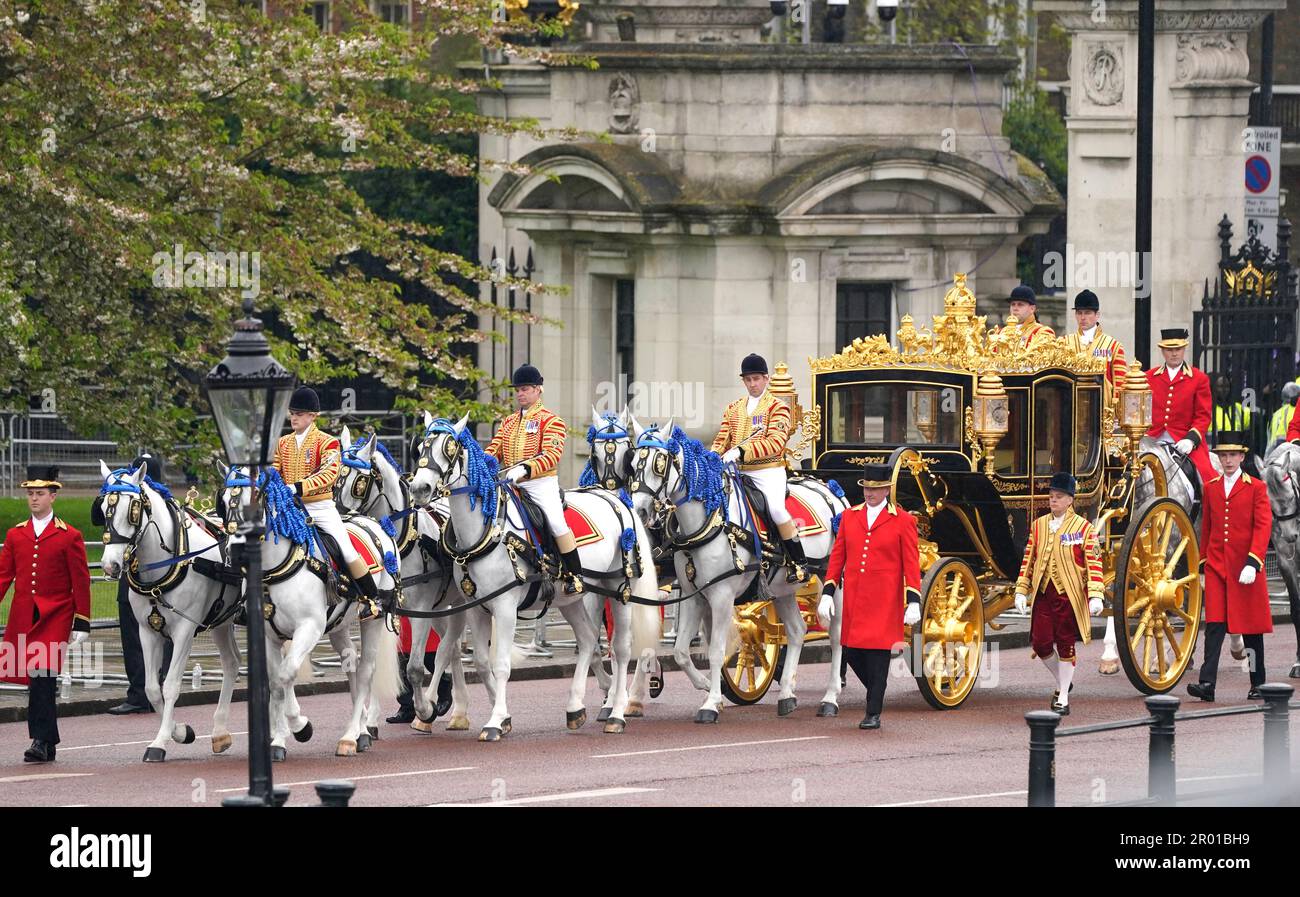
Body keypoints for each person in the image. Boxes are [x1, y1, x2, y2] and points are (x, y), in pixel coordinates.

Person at [818, 464, 922, 730]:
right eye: (866, 488)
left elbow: (911, 564)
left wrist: (913, 600)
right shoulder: (850, 517)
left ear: (886, 489)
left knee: (877, 656)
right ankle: (877, 690)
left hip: (884, 600)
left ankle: (872, 712)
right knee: (850, 652)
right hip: (854, 597)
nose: (870, 494)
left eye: (875, 489)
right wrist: (828, 593)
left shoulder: (903, 521)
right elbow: (837, 557)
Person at [0, 466, 91, 762]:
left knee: (42, 676)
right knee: (34, 678)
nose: (34, 499)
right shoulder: (16, 535)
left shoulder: (70, 535)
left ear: (53, 496)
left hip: (56, 615)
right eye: (30, 494)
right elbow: (3, 576)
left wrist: (83, 620)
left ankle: (39, 740)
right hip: (25, 616)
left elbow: (80, 581)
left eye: (40, 493)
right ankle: (48, 741)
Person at [273, 386, 380, 620]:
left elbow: (330, 473)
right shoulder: (283, 443)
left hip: (319, 507)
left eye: (299, 414)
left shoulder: (328, 442)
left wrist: (297, 487)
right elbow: (274, 469)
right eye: (292, 413)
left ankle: (372, 599)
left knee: (346, 549)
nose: (294, 418)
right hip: (289, 508)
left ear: (313, 416)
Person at [1188, 432, 1272, 702]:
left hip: (1245, 567)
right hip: (1217, 566)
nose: (1228, 460)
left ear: (1242, 457)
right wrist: (1202, 564)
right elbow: (1207, 528)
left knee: (1250, 628)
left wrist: (1254, 560)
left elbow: (1262, 526)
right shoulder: (1211, 486)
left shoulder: (1256, 487)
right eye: (1223, 456)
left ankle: (1257, 681)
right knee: (1214, 625)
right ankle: (1207, 683)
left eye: (1233, 455)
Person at [486, 364, 583, 593]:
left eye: (525, 388)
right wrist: (481, 463)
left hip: (540, 483)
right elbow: (494, 449)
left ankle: (574, 575)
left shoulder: (551, 421)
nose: (520, 393)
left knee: (557, 522)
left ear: (538, 389)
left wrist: (526, 470)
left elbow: (552, 455)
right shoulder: (508, 421)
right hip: (510, 483)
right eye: (518, 389)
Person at [1014, 472, 1104, 716]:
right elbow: (1028, 559)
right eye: (1052, 496)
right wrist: (1021, 590)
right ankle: (1063, 680)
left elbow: (1094, 561)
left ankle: (1063, 695)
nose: (1053, 500)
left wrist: (1096, 594)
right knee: (1041, 643)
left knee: (1065, 644)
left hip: (1069, 594)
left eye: (1059, 496)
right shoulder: (1039, 525)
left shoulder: (1084, 528)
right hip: (1043, 591)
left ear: (1070, 500)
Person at [711, 353, 806, 582]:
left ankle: (797, 562)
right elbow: (722, 439)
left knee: (776, 509)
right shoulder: (733, 409)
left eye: (756, 379)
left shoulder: (777, 408)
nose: (753, 384)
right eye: (748, 380)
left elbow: (775, 442)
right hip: (737, 471)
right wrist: (713, 456)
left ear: (766, 379)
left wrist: (742, 451)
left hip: (767, 471)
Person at [105, 453, 174, 714]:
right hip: (132, 579)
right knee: (131, 638)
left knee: (166, 635)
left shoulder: (164, 505)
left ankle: (163, 686)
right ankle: (137, 692)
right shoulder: (125, 500)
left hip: (163, 582)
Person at [1145, 328, 1216, 485]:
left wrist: (1191, 440)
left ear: (1184, 349)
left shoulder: (1198, 378)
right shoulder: (1149, 377)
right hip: (1152, 439)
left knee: (1207, 479)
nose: (1174, 353)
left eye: (1178, 349)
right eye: (1169, 350)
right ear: (1163, 351)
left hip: (1184, 439)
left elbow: (1203, 416)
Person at [1064, 289, 1127, 405]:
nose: (1082, 317)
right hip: (1071, 405)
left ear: (1097, 315)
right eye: (1079, 313)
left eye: (1087, 312)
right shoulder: (1064, 343)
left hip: (1102, 408)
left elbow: (1120, 386)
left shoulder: (1113, 346)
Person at [388, 617, 452, 725]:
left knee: (430, 660)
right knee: (402, 666)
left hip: (423, 619)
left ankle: (444, 689)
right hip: (403, 618)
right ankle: (407, 707)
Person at [1002, 284, 1055, 351]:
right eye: (1013, 304)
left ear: (1032, 309)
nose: (1015, 308)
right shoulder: (1001, 332)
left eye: (1020, 304)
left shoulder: (1042, 333)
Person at [1267, 381, 1300, 454]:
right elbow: (1294, 427)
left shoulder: (1276, 413)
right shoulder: (1293, 409)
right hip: (1291, 448)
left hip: (1276, 448)